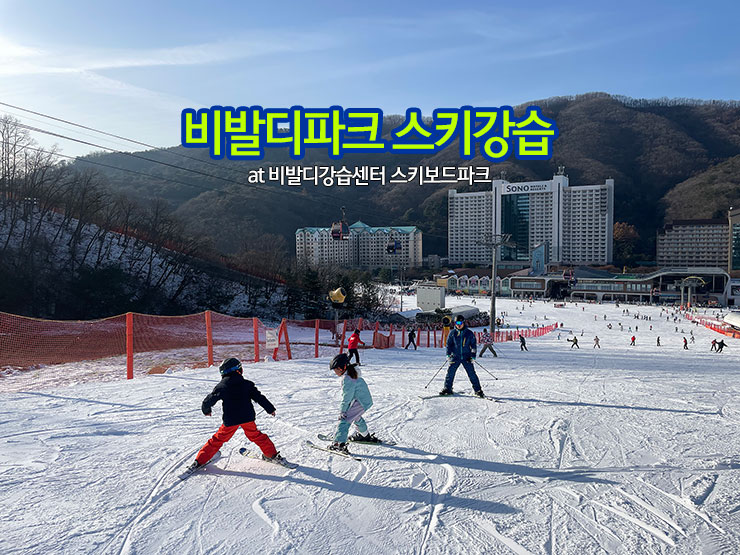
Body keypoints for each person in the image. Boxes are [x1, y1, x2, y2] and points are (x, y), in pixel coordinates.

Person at [185, 358, 286, 473]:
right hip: (247, 418)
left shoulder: (221, 386)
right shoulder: (247, 384)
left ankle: (199, 461)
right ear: (239, 370)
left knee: (217, 440)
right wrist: (270, 409)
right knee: (257, 436)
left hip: (231, 420)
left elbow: (208, 400)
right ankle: (272, 455)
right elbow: (260, 398)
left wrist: (206, 410)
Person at [328, 353, 376, 454]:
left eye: (335, 369)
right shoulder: (352, 373)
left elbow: (347, 398)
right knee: (356, 417)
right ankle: (364, 435)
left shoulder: (348, 379)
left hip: (360, 402)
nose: (335, 372)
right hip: (365, 401)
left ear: (342, 368)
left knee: (345, 420)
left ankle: (339, 444)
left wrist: (343, 411)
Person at [440, 316, 483, 397]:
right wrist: (448, 354)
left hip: (467, 357)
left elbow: (473, 346)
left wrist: (473, 356)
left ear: (463, 322)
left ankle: (478, 390)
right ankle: (447, 388)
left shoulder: (469, 333)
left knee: (472, 374)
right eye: (456, 323)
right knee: (450, 373)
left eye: (460, 323)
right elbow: (449, 345)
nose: (458, 325)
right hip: (455, 356)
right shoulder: (453, 333)